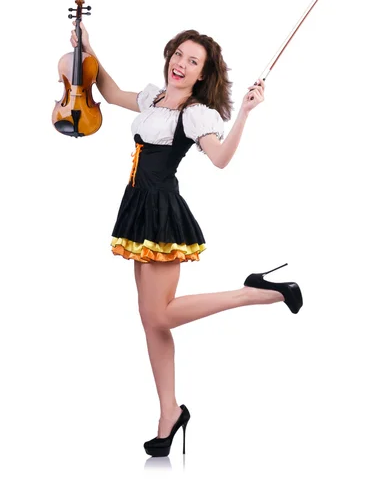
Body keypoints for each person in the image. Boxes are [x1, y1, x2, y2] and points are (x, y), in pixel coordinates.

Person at [70, 23, 303, 457]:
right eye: (179, 54)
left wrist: (246, 115)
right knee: (149, 319)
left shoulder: (195, 113)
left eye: (193, 61)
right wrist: (87, 47)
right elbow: (111, 89)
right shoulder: (153, 99)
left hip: (161, 214)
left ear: (202, 75)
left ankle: (257, 292)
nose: (181, 64)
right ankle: (169, 413)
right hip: (137, 208)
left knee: (160, 317)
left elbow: (219, 159)